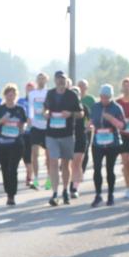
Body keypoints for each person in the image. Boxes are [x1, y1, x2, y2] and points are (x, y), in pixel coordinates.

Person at [43, 70, 80, 206]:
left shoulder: (72, 95)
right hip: (52, 134)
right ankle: (54, 193)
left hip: (67, 134)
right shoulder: (50, 93)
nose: (60, 81)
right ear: (55, 80)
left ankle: (65, 190)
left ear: (66, 81)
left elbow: (80, 113)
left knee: (65, 164)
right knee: (53, 162)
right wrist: (46, 113)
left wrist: (70, 114)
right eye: (58, 79)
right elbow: (45, 108)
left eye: (63, 79)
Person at [87, 84, 125, 207]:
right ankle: (98, 195)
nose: (105, 99)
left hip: (112, 143)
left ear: (111, 96)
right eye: (103, 97)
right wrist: (89, 126)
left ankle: (110, 195)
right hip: (97, 142)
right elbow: (91, 121)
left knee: (110, 169)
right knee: (97, 168)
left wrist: (111, 118)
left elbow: (122, 126)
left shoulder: (117, 108)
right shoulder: (96, 107)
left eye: (107, 97)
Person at [0, 83, 28, 206]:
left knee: (13, 169)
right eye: (8, 94)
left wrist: (21, 127)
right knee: (5, 170)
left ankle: (11, 195)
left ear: (16, 96)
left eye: (13, 94)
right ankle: (8, 192)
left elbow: (24, 123)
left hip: (16, 144)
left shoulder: (20, 109)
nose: (10, 97)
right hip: (2, 144)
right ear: (5, 95)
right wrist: (2, 120)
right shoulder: (0, 109)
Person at [27, 72, 50, 190]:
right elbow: (30, 107)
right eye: (39, 78)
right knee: (34, 154)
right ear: (36, 80)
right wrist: (30, 119)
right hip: (36, 127)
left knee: (49, 155)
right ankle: (35, 179)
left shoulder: (49, 93)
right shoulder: (32, 94)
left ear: (47, 80)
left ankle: (49, 179)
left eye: (43, 79)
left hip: (47, 127)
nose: (41, 81)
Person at [70, 85, 89, 198]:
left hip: (81, 137)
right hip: (68, 137)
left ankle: (74, 188)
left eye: (76, 94)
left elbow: (89, 121)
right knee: (69, 165)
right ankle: (69, 185)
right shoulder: (65, 108)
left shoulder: (84, 108)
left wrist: (87, 127)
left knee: (77, 163)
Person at [19, 81, 35, 187]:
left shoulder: (37, 101)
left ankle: (30, 177)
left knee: (31, 155)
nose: (29, 90)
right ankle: (29, 174)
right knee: (25, 155)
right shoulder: (20, 101)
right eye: (28, 88)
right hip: (23, 132)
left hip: (35, 131)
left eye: (31, 89)